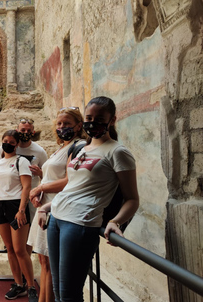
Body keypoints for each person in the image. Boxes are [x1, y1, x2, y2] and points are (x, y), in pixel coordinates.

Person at [41, 96, 140, 302]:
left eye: (99, 118)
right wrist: (46, 207)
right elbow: (73, 188)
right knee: (58, 292)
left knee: (70, 295)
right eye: (89, 117)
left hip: (81, 224)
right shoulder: (80, 149)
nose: (92, 122)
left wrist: (115, 222)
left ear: (111, 120)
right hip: (56, 219)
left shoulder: (118, 152)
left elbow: (132, 198)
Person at [27, 107, 85, 302]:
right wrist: (40, 191)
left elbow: (71, 180)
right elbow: (53, 177)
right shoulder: (61, 147)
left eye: (67, 123)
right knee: (43, 261)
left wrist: (38, 188)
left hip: (57, 210)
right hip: (45, 207)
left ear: (78, 126)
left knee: (51, 265)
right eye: (59, 124)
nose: (62, 127)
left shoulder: (77, 146)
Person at [0, 130, 38, 302]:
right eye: (5, 140)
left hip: (16, 205)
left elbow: (26, 186)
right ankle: (18, 285)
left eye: (11, 141)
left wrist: (22, 209)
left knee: (20, 249)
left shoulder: (21, 161)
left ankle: (31, 286)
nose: (7, 143)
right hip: (0, 206)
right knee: (9, 248)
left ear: (16, 144)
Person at [0, 118, 48, 224]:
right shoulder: (7, 147)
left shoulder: (39, 151)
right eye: (23, 130)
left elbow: (47, 175)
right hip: (10, 197)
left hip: (30, 197)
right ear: (17, 130)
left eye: (29, 131)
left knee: (28, 228)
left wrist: (40, 173)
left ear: (33, 132)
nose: (26, 133)